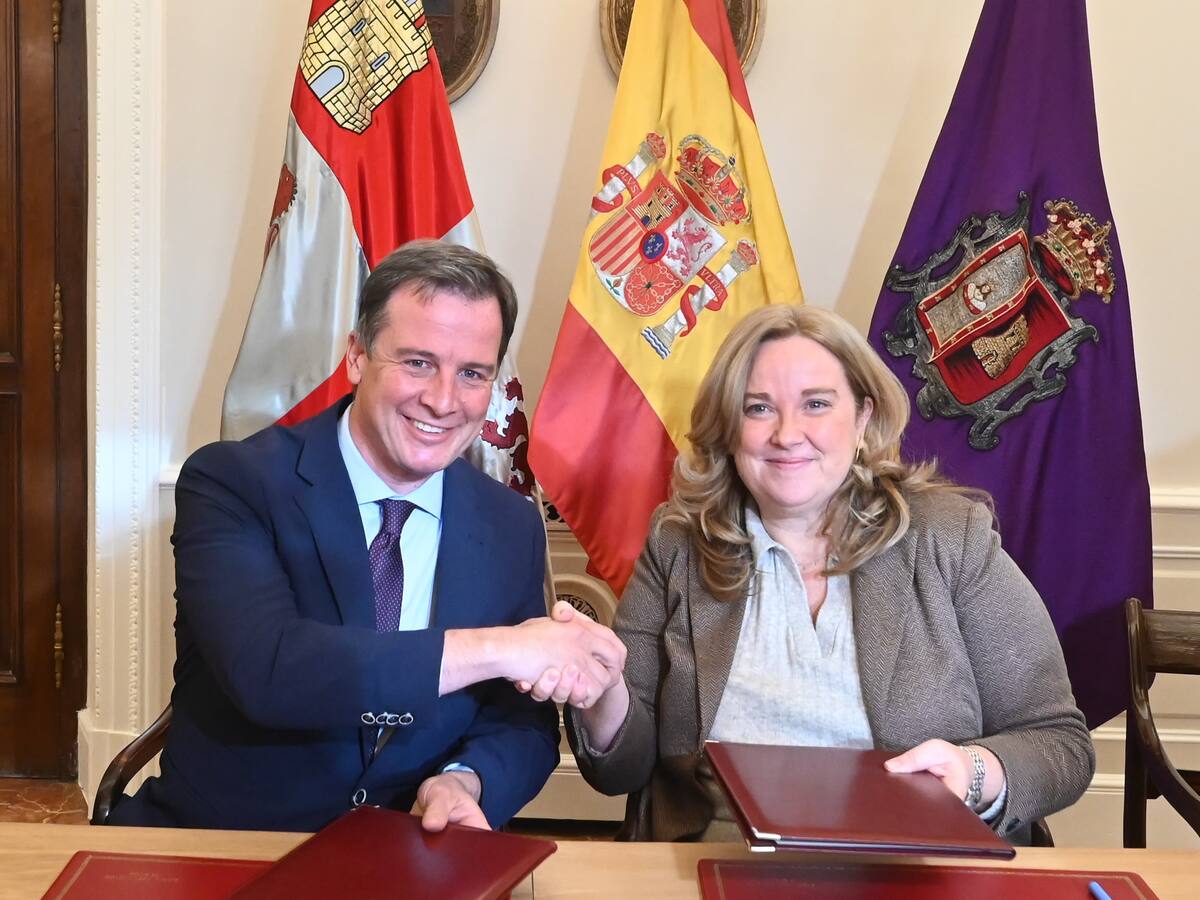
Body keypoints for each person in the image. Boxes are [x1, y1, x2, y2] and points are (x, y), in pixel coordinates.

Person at [111, 240, 626, 833]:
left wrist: (466, 780)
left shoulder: (509, 523)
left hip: (415, 850)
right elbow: (270, 668)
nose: (442, 400)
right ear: (357, 357)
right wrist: (502, 647)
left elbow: (519, 722)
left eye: (472, 374)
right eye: (418, 362)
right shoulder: (234, 482)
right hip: (229, 845)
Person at [554, 304, 1094, 844]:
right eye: (758, 408)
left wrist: (974, 773)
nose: (787, 434)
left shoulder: (951, 537)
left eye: (816, 404)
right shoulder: (677, 544)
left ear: (862, 418)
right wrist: (603, 694)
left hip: (919, 856)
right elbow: (619, 772)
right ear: (728, 427)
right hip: (717, 857)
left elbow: (1059, 742)